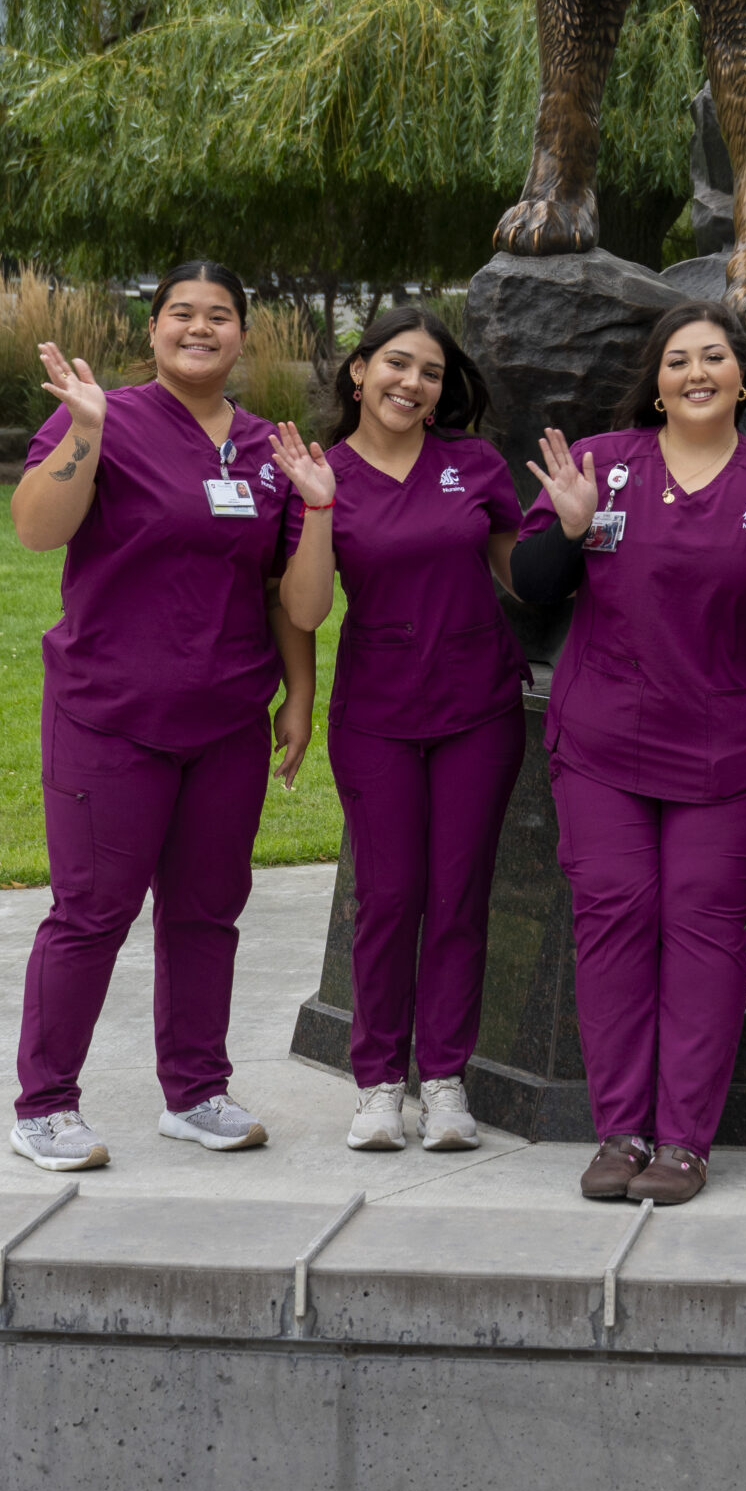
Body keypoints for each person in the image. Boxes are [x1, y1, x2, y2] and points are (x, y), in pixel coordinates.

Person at [510, 301, 746, 1206]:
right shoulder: (601, 466)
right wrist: (570, 529)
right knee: (613, 918)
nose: (694, 372)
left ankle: (684, 1142)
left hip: (728, 751)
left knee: (702, 929)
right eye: (675, 361)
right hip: (604, 743)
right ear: (655, 385)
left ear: (743, 377)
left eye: (712, 358)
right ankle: (619, 1130)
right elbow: (533, 586)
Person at [8, 261, 312, 1173]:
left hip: (225, 718)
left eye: (220, 316)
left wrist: (299, 694)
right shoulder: (103, 415)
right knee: (93, 909)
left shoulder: (267, 448)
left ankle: (196, 1091)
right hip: (110, 713)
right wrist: (86, 434)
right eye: (181, 313)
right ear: (153, 330)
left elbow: (277, 590)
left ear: (243, 337)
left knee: (208, 910)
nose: (200, 328)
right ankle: (45, 1106)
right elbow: (36, 527)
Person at [272, 306, 526, 1154]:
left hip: (477, 708)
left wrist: (570, 527)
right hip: (378, 713)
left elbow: (523, 581)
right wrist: (315, 510)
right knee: (388, 899)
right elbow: (305, 609)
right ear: (359, 371)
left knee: (458, 897)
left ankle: (446, 1082)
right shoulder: (322, 473)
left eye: (429, 373)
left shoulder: (474, 465)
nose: (411, 383)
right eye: (396, 364)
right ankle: (379, 1083)